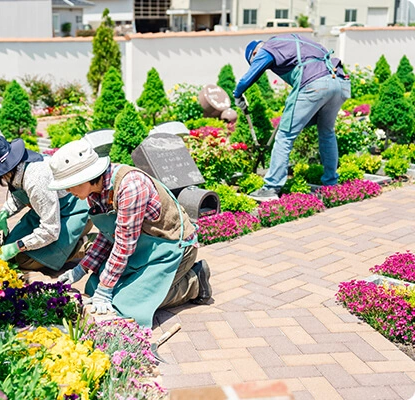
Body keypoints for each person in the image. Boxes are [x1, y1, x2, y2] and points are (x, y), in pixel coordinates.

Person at [47, 139, 212, 327]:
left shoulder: (130, 187)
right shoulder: (94, 192)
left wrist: (106, 288)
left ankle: (194, 282)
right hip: (143, 248)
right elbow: (107, 235)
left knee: (127, 304)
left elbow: (124, 244)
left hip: (173, 247)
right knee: (93, 287)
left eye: (70, 184)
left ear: (86, 177)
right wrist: (81, 269)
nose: (68, 190)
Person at [234, 33, 351, 200]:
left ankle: (271, 187)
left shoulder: (268, 48)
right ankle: (331, 183)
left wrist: (238, 94)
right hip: (339, 82)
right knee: (327, 132)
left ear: (255, 53)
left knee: (284, 136)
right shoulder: (296, 41)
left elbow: (250, 76)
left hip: (315, 84)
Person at [0, 134, 91, 272]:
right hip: (49, 208)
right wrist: (4, 214)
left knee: (25, 259)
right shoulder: (17, 167)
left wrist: (18, 246)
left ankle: (87, 244)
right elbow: (21, 194)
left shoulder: (36, 179)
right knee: (11, 249)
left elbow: (51, 230)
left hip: (72, 209)